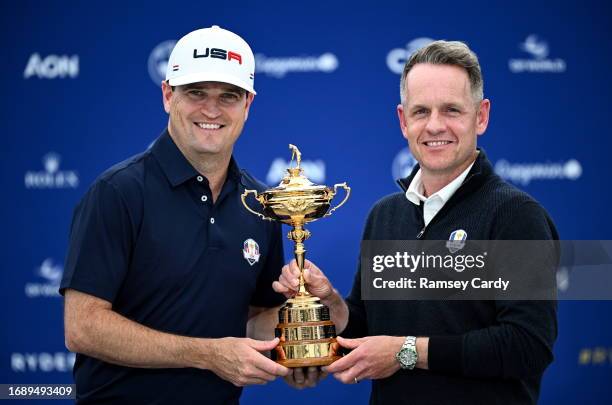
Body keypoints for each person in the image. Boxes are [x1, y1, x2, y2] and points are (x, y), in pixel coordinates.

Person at [273, 40, 558, 404]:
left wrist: (405, 352)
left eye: (452, 110)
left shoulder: (516, 215)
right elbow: (368, 331)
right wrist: (332, 304)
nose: (435, 125)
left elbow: (527, 346)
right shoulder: (384, 215)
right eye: (421, 111)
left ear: (481, 116)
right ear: (403, 121)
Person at [60, 25, 290, 404]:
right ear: (168, 95)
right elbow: (82, 327)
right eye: (196, 92)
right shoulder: (118, 192)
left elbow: (254, 322)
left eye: (228, 96)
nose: (211, 110)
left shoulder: (260, 203)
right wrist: (207, 354)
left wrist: (301, 338)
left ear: (247, 104)